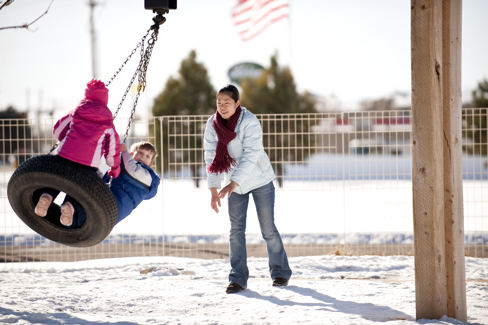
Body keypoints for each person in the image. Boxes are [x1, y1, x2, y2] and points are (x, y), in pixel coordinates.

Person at [204, 84, 292, 294]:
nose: (222, 106)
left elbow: (251, 154)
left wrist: (234, 182)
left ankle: (280, 272)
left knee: (268, 229)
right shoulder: (212, 124)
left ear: (237, 103)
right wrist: (214, 188)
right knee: (236, 231)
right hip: (233, 184)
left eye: (227, 102)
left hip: (259, 180)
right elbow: (211, 157)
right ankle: (238, 278)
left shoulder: (250, 121)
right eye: (219, 102)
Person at [34, 79, 121, 226]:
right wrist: (115, 166)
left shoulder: (75, 112)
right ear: (105, 99)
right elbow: (112, 149)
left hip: (64, 157)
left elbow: (58, 130)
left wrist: (65, 138)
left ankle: (46, 197)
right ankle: (69, 206)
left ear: (86, 95)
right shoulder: (108, 123)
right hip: (88, 165)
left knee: (57, 179)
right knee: (81, 187)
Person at [36, 141, 160, 229]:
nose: (143, 156)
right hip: (97, 209)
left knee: (82, 183)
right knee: (81, 178)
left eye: (147, 156)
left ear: (150, 164)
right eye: (140, 152)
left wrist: (124, 152)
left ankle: (65, 205)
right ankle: (62, 208)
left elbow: (132, 170)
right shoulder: (120, 169)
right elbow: (101, 184)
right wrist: (93, 169)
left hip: (109, 211)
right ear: (133, 155)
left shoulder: (148, 177)